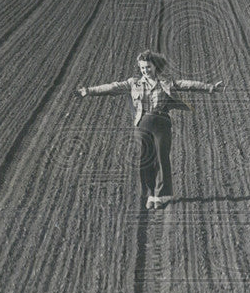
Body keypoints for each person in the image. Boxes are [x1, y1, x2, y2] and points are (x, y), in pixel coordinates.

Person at [78, 50, 223, 209]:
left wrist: (210, 88)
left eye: (148, 67)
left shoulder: (166, 82)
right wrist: (89, 91)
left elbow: (187, 84)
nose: (145, 70)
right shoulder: (133, 83)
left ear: (155, 66)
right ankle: (149, 195)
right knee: (145, 160)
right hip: (143, 123)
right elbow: (112, 87)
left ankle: (161, 195)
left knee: (162, 158)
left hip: (162, 123)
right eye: (142, 68)